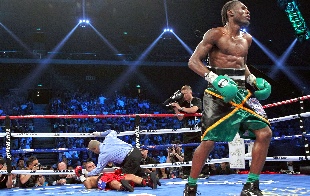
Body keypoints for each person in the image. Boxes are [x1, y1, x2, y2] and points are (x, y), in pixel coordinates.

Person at [183, 1, 272, 196]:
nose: (248, 12)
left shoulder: (247, 39)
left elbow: (242, 64)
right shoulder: (215, 34)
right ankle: (191, 185)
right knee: (208, 142)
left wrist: (252, 80)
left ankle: (251, 186)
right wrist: (216, 80)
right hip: (217, 94)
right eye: (243, 8)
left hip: (241, 93)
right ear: (230, 12)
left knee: (264, 132)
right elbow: (193, 62)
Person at [77, 130, 158, 189]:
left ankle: (147, 182)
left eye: (93, 151)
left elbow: (98, 170)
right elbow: (112, 131)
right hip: (136, 151)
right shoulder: (108, 138)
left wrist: (86, 174)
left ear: (95, 148)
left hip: (130, 158)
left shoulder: (103, 155)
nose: (95, 153)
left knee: (123, 177)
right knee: (134, 169)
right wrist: (100, 133)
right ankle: (150, 177)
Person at [170, 85, 207, 179]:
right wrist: (175, 108)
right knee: (187, 152)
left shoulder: (197, 100)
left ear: (190, 92)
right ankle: (186, 173)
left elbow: (194, 109)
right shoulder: (183, 104)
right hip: (188, 131)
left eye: (185, 93)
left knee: (202, 151)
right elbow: (180, 117)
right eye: (182, 94)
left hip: (199, 130)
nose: (184, 96)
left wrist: (180, 108)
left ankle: (204, 172)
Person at [75, 160, 156, 191]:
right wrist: (81, 176)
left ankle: (148, 182)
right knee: (113, 183)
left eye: (93, 166)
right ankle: (124, 187)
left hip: (111, 175)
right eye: (89, 167)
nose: (92, 167)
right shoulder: (89, 178)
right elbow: (88, 186)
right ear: (86, 170)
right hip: (103, 180)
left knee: (130, 176)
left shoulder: (103, 170)